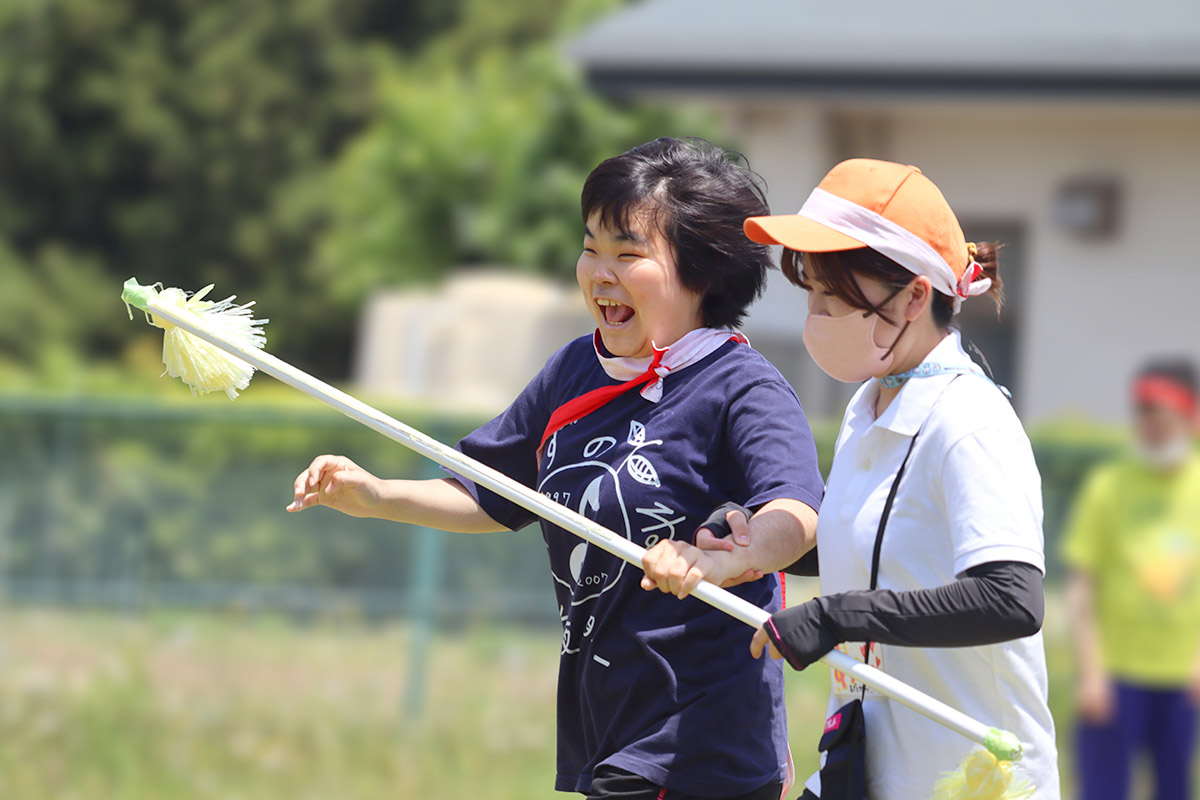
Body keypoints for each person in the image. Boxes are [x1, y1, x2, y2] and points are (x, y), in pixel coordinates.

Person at [287, 137, 824, 799]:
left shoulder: (742, 386)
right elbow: (493, 493)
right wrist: (375, 495)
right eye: (590, 247)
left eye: (628, 254)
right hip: (607, 724)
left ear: (703, 273)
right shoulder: (575, 370)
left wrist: (724, 560)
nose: (600, 273)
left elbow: (797, 514)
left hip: (699, 738)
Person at [649, 158, 1060, 799]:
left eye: (835, 296)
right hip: (865, 765)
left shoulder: (972, 422)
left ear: (915, 297)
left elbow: (1011, 598)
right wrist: (749, 540)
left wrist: (836, 618)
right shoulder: (868, 405)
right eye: (812, 291)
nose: (816, 313)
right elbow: (870, 546)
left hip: (974, 778)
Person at [1063, 359, 1200, 800]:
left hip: (1182, 679)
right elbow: (1082, 587)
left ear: (1190, 418)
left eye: (1163, 417)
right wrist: (1091, 674)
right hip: (1114, 676)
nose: (1152, 427)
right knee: (1103, 790)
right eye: (1143, 416)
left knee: (1174, 789)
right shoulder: (1108, 486)